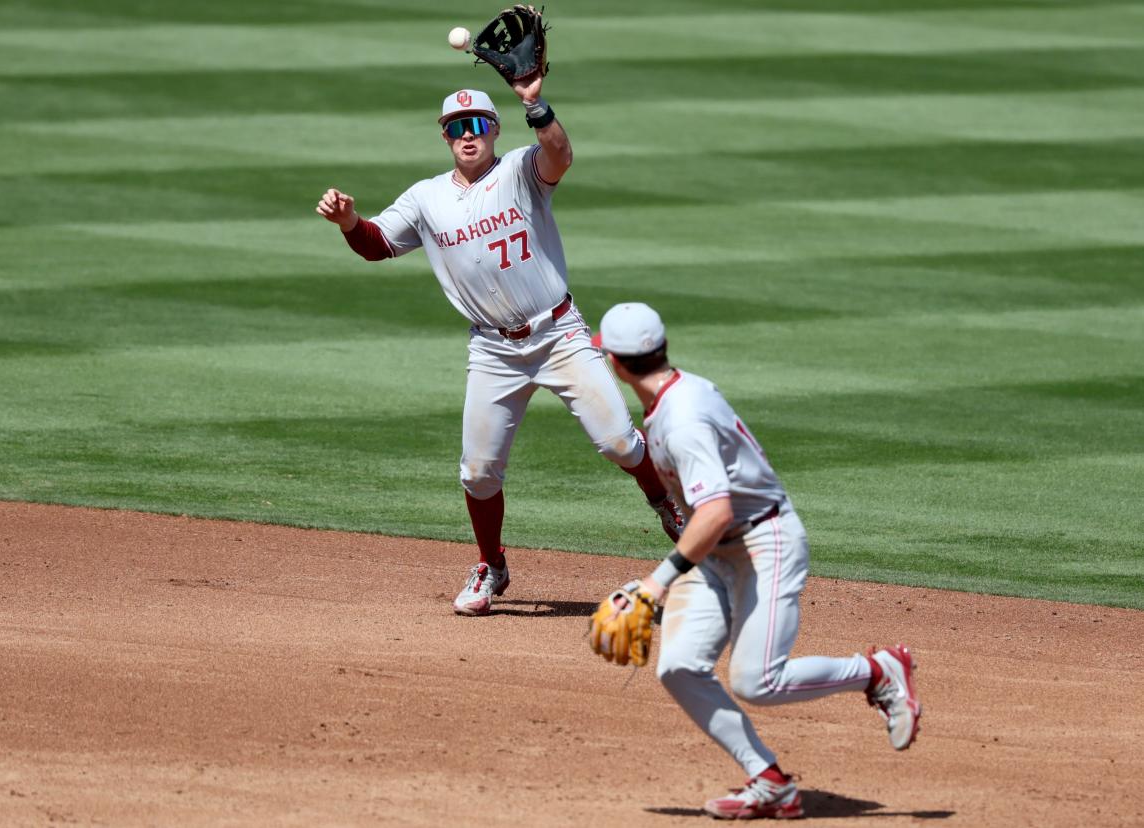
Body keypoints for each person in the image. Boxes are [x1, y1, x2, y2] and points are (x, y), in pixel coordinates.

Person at [314, 75, 683, 617]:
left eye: (477, 125)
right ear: (445, 137)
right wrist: (348, 220)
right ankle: (492, 564)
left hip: (557, 333)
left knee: (619, 443)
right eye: (455, 128)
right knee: (478, 472)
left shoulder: (520, 170)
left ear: (494, 130)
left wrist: (535, 103)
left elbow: (560, 152)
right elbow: (377, 245)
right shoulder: (426, 197)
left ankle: (663, 502)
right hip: (493, 350)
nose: (468, 135)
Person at [592, 302, 921, 820]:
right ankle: (769, 782)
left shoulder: (680, 420)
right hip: (718, 552)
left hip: (765, 542)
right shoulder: (681, 391)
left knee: (757, 682)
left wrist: (655, 586)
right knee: (679, 667)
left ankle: (878, 672)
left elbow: (716, 509)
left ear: (615, 361)